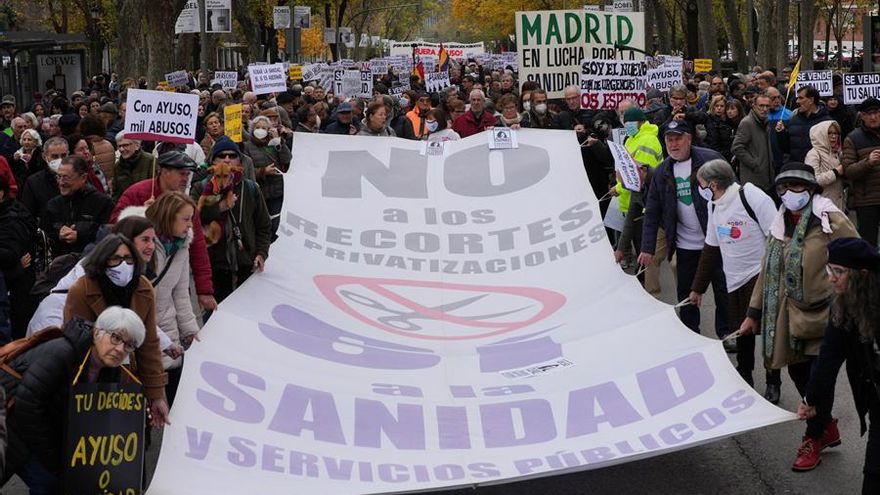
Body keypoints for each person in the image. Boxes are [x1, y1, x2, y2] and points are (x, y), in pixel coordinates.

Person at [738, 162, 858, 469]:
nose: (789, 194)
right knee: (797, 372)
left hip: (830, 314)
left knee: (820, 378)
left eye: (797, 188)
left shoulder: (828, 217)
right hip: (791, 313)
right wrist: (753, 313)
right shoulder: (779, 225)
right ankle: (826, 424)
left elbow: (858, 253)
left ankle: (812, 437)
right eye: (783, 189)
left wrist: (846, 287)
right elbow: (767, 271)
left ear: (810, 190)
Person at [2, 308, 147, 493]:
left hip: (48, 431)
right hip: (15, 427)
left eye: (129, 345)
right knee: (50, 483)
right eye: (116, 338)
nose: (120, 349)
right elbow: (27, 404)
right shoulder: (62, 352)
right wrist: (55, 456)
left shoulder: (112, 370)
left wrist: (136, 418)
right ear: (97, 332)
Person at [687, 159, 779, 386]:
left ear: (714, 184)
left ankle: (773, 380)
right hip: (734, 278)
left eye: (702, 185)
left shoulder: (751, 196)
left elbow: (777, 237)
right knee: (741, 331)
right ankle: (745, 374)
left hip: (760, 276)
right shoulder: (713, 206)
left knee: (768, 333)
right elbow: (711, 248)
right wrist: (697, 289)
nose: (700, 191)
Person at [798, 237, 880, 492]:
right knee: (874, 472)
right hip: (877, 399)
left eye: (839, 271)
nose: (831, 277)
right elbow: (828, 359)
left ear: (862, 274)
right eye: (829, 269)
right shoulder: (843, 306)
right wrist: (811, 399)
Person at [62, 234, 170, 424]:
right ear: (102, 260)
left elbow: (149, 344)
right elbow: (73, 344)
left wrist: (156, 395)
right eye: (116, 259)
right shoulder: (81, 290)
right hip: (90, 383)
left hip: (129, 381)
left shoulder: (143, 288)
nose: (123, 264)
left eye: (128, 259)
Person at [638, 120, 730, 338]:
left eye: (678, 138)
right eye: (669, 139)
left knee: (723, 289)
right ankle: (691, 335)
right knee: (687, 294)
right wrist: (647, 248)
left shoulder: (710, 160)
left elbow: (733, 193)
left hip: (715, 242)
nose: (673, 144)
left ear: (689, 138)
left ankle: (726, 333)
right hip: (685, 244)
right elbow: (652, 212)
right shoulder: (662, 172)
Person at [111, 151, 217, 312]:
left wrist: (204, 290)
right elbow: (114, 228)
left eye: (188, 174)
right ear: (164, 171)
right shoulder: (137, 193)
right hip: (138, 286)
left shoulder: (186, 205)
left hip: (172, 289)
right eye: (181, 174)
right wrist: (141, 215)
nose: (185, 179)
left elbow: (198, 248)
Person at [191, 148, 271, 304]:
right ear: (213, 161)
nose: (227, 159)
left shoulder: (251, 188)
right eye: (221, 155)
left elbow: (264, 225)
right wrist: (218, 208)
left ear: (239, 162)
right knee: (214, 318)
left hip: (245, 263)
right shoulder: (201, 188)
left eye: (232, 156)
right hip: (213, 264)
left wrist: (262, 253)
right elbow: (190, 221)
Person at [144, 192, 200, 404]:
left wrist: (190, 331)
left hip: (168, 326)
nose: (189, 225)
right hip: (141, 328)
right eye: (185, 219)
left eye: (191, 219)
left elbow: (180, 291)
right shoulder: (144, 244)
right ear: (168, 216)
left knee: (173, 400)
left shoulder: (182, 247)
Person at [42, 155, 113, 256]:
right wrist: (59, 236)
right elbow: (44, 236)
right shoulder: (53, 205)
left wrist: (79, 236)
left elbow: (110, 237)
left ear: (83, 177)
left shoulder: (102, 203)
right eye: (59, 177)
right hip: (60, 266)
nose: (61, 182)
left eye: (66, 178)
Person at [842, 97, 880, 246]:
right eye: (868, 114)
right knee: (868, 244)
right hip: (866, 201)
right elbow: (848, 171)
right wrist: (868, 163)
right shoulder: (853, 138)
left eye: (876, 112)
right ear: (862, 116)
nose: (873, 117)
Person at [777, 86, 833, 164]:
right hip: (797, 167)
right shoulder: (793, 119)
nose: (797, 101)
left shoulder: (827, 122)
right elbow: (787, 148)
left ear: (811, 100)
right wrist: (781, 133)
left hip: (818, 169)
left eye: (801, 98)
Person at [732, 93, 775, 195]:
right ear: (754, 106)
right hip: (753, 178)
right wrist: (755, 164)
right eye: (761, 106)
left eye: (767, 106)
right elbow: (736, 147)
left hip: (766, 177)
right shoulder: (747, 123)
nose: (764, 109)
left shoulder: (766, 122)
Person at [20, 136, 66, 222]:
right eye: (55, 156)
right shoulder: (33, 182)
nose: (60, 160)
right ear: (45, 157)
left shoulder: (77, 177)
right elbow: (28, 214)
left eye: (63, 155)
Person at [804, 120, 846, 210]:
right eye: (829, 133)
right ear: (820, 134)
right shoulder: (813, 154)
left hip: (838, 205)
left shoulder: (838, 153)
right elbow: (813, 180)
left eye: (836, 133)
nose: (834, 136)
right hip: (822, 207)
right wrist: (836, 172)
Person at [112, 131, 153, 201]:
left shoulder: (150, 161)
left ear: (137, 146)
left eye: (125, 145)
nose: (121, 149)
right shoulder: (117, 166)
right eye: (119, 146)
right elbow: (116, 192)